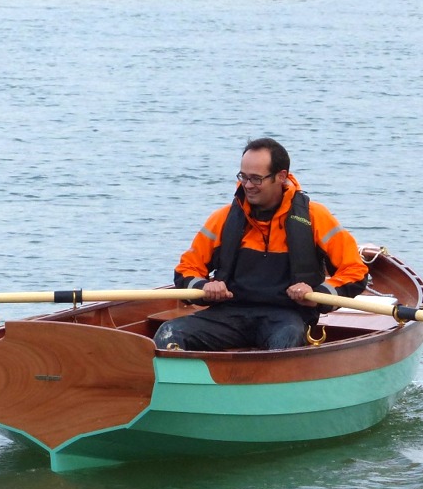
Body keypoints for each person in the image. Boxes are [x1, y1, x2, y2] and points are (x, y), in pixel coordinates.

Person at [153, 138, 370, 351]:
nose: (247, 185)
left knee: (288, 338)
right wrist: (204, 287)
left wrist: (317, 294)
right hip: (230, 314)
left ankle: (269, 382)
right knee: (168, 333)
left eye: (256, 179)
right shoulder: (223, 219)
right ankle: (187, 382)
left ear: (281, 176)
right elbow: (186, 269)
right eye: (243, 177)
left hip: (287, 318)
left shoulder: (315, 218)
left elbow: (355, 271)